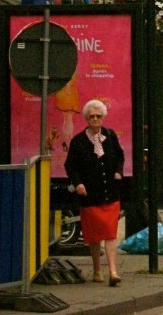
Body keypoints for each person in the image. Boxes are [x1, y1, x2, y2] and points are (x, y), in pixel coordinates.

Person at [64, 100, 124, 286]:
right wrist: (78, 183)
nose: (95, 119)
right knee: (94, 236)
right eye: (92, 117)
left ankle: (113, 271)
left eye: (98, 116)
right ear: (86, 119)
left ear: (103, 117)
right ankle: (97, 269)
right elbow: (70, 165)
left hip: (110, 193)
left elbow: (120, 155)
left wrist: (118, 171)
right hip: (90, 195)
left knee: (110, 233)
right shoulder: (78, 141)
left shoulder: (110, 135)